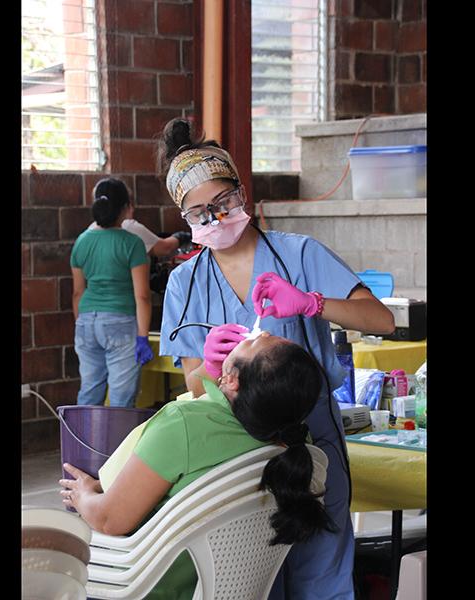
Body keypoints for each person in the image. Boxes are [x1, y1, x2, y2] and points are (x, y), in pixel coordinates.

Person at [156, 118, 396, 599]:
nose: (216, 220)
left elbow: (383, 321)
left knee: (320, 576)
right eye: (199, 213)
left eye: (223, 203)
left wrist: (312, 303)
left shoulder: (297, 255)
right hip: (232, 455)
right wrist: (208, 362)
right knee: (250, 580)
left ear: (241, 192)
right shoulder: (185, 284)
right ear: (185, 219)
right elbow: (196, 389)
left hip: (312, 446)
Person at [59, 329, 333, 599]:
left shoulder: (183, 425)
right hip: (217, 585)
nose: (262, 331)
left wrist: (82, 494)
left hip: (150, 585)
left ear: (232, 380)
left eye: (254, 340)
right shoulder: (294, 442)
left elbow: (109, 520)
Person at [70, 178, 155, 407]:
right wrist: (143, 337)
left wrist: (84, 324)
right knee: (121, 399)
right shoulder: (132, 243)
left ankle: (81, 442)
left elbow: (78, 293)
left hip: (86, 322)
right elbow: (142, 296)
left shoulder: (81, 242)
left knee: (89, 391)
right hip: (120, 323)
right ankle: (116, 444)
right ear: (126, 208)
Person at [87, 214, 192, 258]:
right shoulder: (129, 228)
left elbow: (78, 292)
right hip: (125, 301)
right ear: (125, 206)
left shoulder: (89, 232)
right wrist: (182, 236)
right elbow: (165, 248)